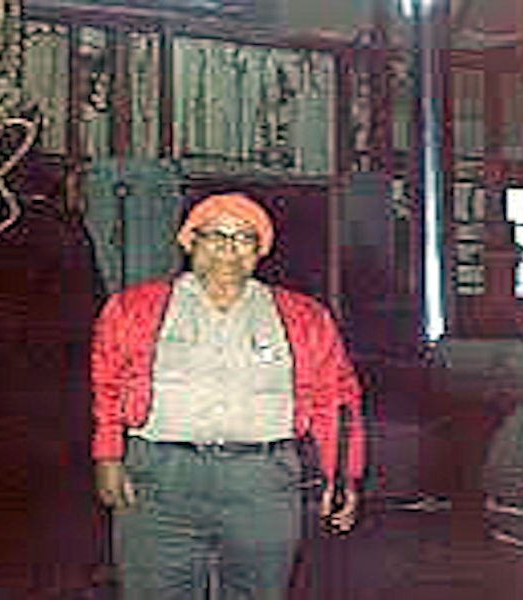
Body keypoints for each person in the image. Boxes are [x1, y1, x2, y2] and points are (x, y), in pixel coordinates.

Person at [91, 192, 365, 599]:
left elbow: (338, 401)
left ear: (261, 250)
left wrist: (343, 478)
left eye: (244, 237)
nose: (227, 246)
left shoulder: (304, 316)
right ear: (188, 241)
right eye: (214, 234)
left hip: (262, 483)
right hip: (160, 480)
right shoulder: (134, 308)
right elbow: (107, 384)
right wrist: (108, 456)